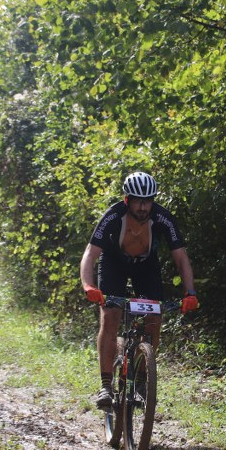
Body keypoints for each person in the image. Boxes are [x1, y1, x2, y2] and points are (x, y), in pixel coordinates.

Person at [79, 171, 199, 410]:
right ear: (127, 200)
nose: (143, 207)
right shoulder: (114, 215)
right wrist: (88, 285)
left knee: (154, 318)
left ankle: (143, 381)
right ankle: (105, 384)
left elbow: (181, 257)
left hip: (146, 266)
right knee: (110, 316)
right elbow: (90, 254)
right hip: (114, 264)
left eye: (148, 201)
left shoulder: (162, 217)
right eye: (137, 201)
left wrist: (190, 292)